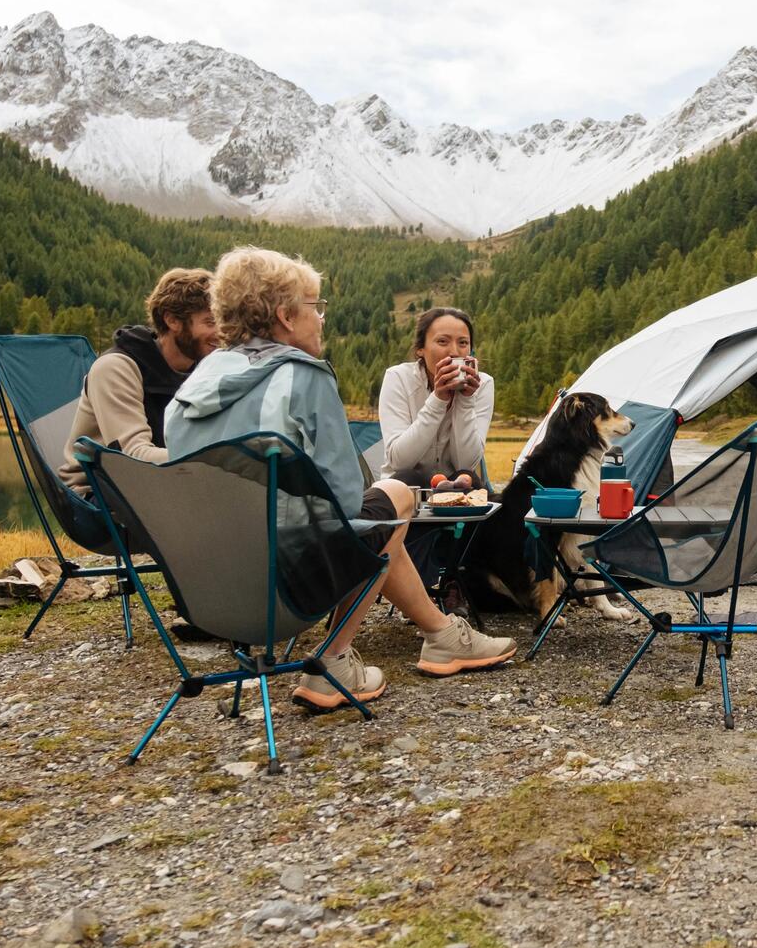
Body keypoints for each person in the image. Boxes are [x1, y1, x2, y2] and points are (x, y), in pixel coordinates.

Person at [164, 246, 515, 711]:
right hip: (286, 590)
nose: (322, 319)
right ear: (287, 316)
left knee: (380, 513)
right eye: (316, 307)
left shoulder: (197, 381)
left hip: (206, 589)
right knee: (390, 500)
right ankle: (333, 660)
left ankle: (441, 634)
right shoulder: (302, 378)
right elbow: (350, 506)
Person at [57, 268, 219, 497]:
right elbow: (133, 456)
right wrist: (218, 460)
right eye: (210, 322)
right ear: (172, 319)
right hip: (98, 493)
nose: (221, 333)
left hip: (162, 485)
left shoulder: (204, 370)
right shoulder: (116, 368)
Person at [378, 306, 492, 486]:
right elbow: (399, 462)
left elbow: (466, 463)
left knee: (466, 478)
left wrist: (465, 400)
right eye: (442, 341)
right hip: (405, 487)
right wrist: (438, 400)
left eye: (463, 343)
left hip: (455, 485)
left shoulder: (483, 384)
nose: (454, 352)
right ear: (420, 349)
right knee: (407, 478)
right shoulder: (398, 378)